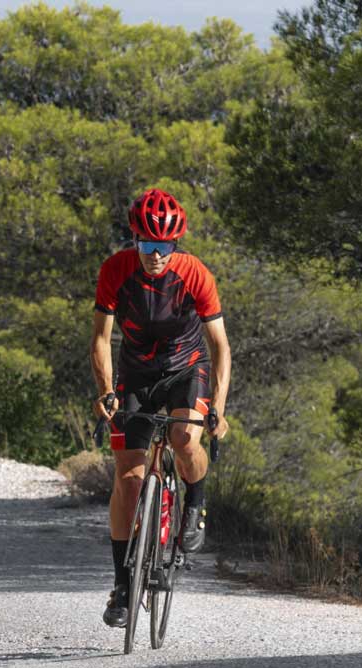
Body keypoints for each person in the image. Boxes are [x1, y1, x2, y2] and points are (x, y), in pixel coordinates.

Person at [90, 188, 231, 628]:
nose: (156, 255)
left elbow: (220, 346)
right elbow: (100, 338)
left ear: (176, 244)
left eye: (165, 246)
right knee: (128, 479)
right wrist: (105, 391)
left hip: (186, 370)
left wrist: (219, 410)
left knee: (184, 437)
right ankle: (122, 585)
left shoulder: (195, 275)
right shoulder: (115, 271)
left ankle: (196, 501)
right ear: (135, 240)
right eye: (148, 245)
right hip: (135, 374)